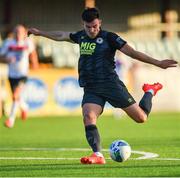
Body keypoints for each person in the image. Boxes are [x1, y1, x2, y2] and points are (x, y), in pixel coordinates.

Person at [28, 8, 178, 164]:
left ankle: (150, 91)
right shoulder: (81, 36)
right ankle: (98, 155)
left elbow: (132, 53)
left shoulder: (110, 37)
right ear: (83, 25)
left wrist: (158, 63)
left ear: (99, 22)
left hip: (111, 85)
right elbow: (62, 35)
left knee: (141, 118)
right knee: (88, 117)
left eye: (95, 26)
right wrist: (40, 33)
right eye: (88, 27)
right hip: (91, 87)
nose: (92, 30)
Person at [0, 24, 39, 128]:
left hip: (23, 74)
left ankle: (11, 120)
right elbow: (1, 57)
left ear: (24, 33)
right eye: (16, 32)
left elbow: (33, 53)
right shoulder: (8, 43)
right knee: (16, 98)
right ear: (13, 33)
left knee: (15, 96)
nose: (18, 34)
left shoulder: (27, 43)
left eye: (20, 32)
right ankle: (25, 107)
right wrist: (6, 60)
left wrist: (35, 63)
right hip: (12, 75)